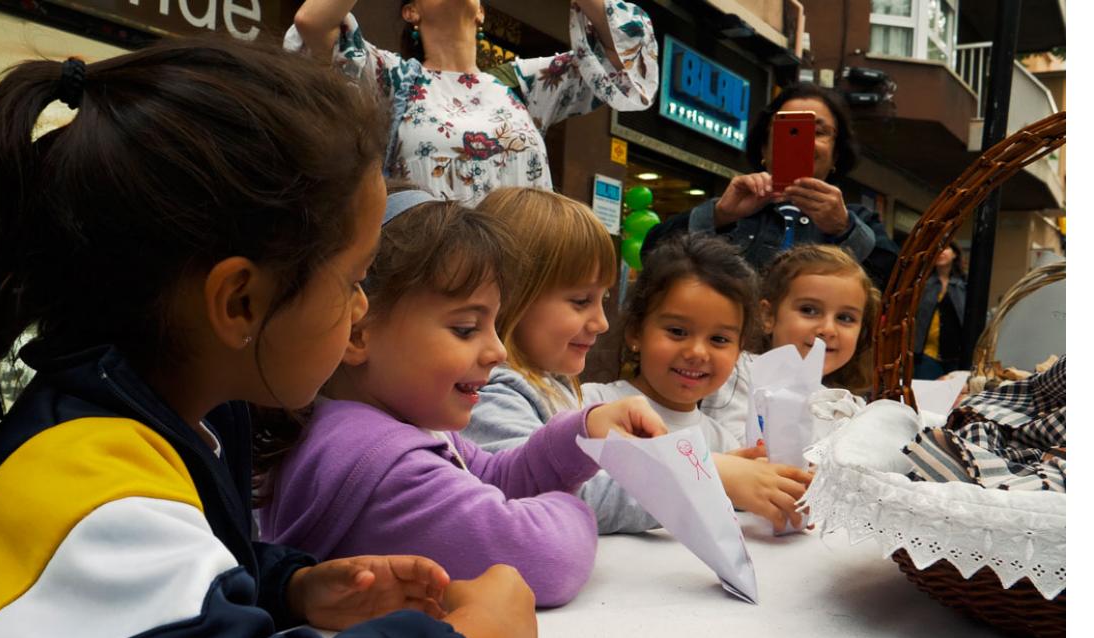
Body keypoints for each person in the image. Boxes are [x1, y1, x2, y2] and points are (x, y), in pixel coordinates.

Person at [0, 38, 539, 638]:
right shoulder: (92, 492)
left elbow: (174, 601)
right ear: (240, 301)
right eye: (352, 280)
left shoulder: (163, 426)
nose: (360, 311)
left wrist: (291, 586)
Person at [257, 190, 667, 608]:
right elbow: (542, 559)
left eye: (495, 324)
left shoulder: (395, 426)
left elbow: (496, 475)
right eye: (467, 328)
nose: (498, 352)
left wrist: (584, 432)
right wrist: (573, 507)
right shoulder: (376, 462)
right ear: (358, 331)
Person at [287, 0, 658, 204]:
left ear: (480, 11)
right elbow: (312, 22)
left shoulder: (524, 85)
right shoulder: (391, 78)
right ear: (411, 11)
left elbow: (625, 54)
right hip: (429, 287)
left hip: (524, 287)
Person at [579, 234, 815, 533]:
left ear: (739, 349)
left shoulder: (721, 443)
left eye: (719, 339)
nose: (697, 353)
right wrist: (706, 476)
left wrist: (792, 488)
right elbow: (574, 495)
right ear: (636, 331)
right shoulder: (590, 409)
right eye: (677, 331)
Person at [644, 82, 898, 291]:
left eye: (818, 132)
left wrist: (844, 228)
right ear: (764, 147)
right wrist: (719, 215)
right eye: (790, 129)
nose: (804, 141)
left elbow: (897, 284)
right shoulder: (734, 209)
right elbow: (651, 257)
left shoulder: (859, 221)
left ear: (836, 155)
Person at [460, 188, 614, 454]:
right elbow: (544, 477)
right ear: (512, 297)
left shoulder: (551, 382)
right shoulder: (488, 394)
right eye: (580, 301)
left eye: (604, 298)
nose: (601, 323)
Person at [703, 244, 880, 446]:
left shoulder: (850, 408)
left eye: (845, 318)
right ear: (768, 316)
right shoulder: (737, 371)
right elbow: (731, 446)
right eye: (809, 310)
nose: (828, 329)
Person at [912, 242, 967, 379]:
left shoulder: (964, 285)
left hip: (955, 356)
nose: (941, 252)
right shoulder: (922, 284)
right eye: (937, 249)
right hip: (926, 354)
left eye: (946, 248)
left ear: (954, 254)